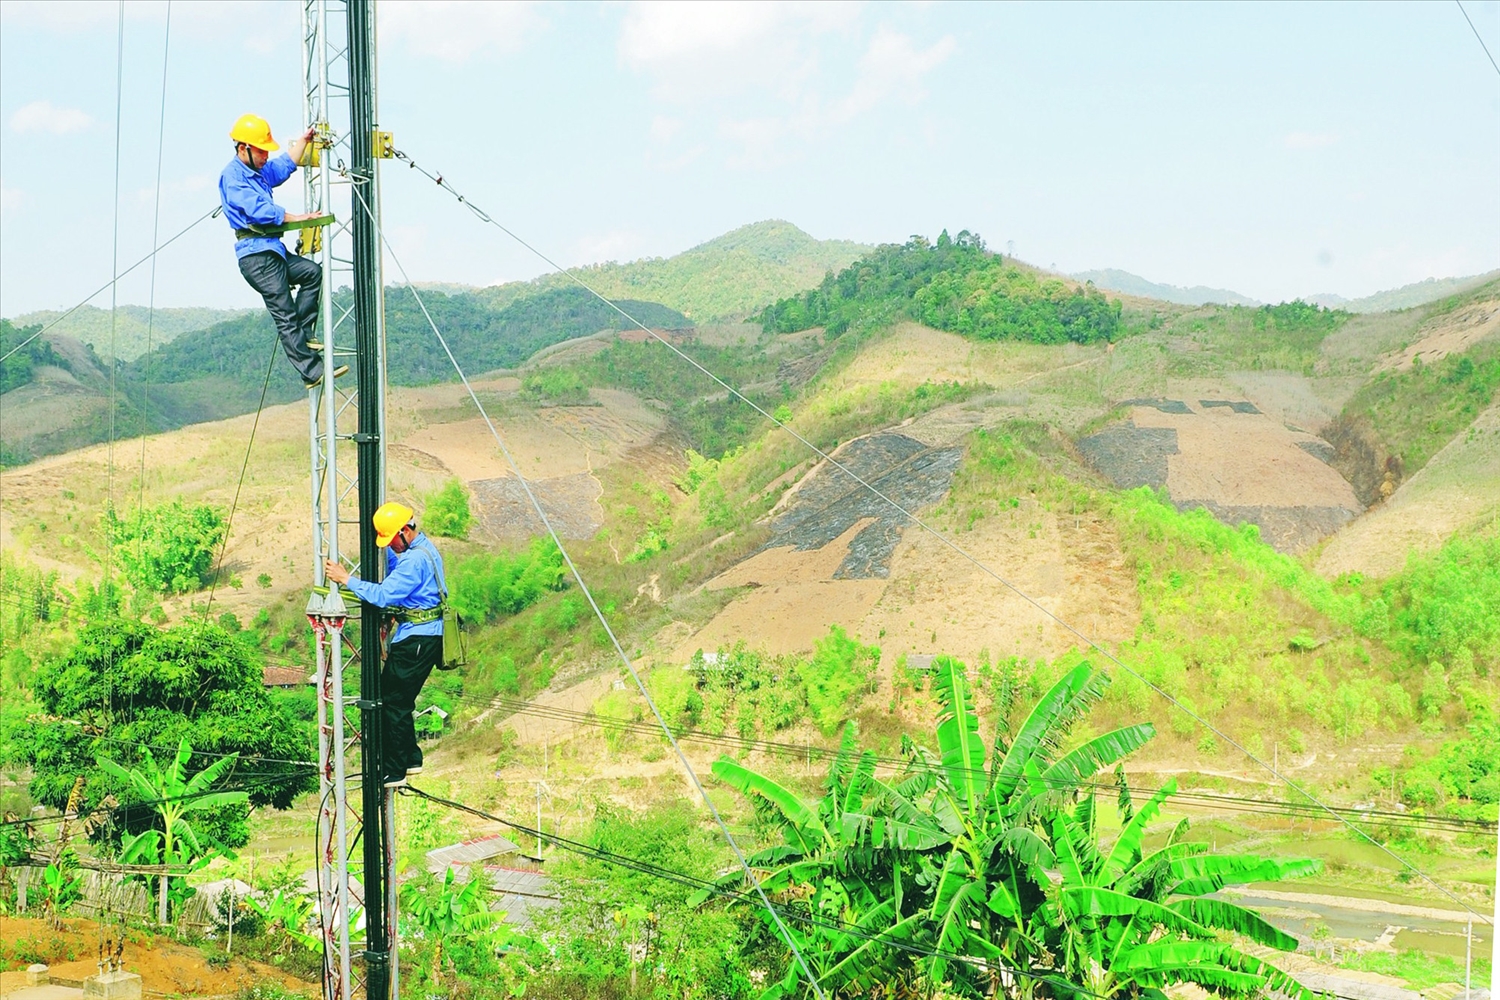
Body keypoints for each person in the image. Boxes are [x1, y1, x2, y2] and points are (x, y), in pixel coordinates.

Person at [219, 113, 346, 389]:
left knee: (311, 273)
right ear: (244, 148)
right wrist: (298, 218)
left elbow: (283, 165)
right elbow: (259, 210)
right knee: (285, 314)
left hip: (273, 251)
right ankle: (312, 372)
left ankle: (305, 333)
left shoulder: (258, 171)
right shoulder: (233, 177)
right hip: (257, 257)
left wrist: (304, 141)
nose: (266, 156)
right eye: (261, 151)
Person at [324, 502, 446, 787]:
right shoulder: (422, 549)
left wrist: (346, 579)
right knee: (400, 700)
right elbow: (395, 568)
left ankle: (395, 770)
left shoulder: (414, 561)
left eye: (391, 539)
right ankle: (411, 758)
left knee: (393, 702)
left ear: (405, 531)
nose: (390, 545)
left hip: (416, 640)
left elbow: (383, 595)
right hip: (424, 636)